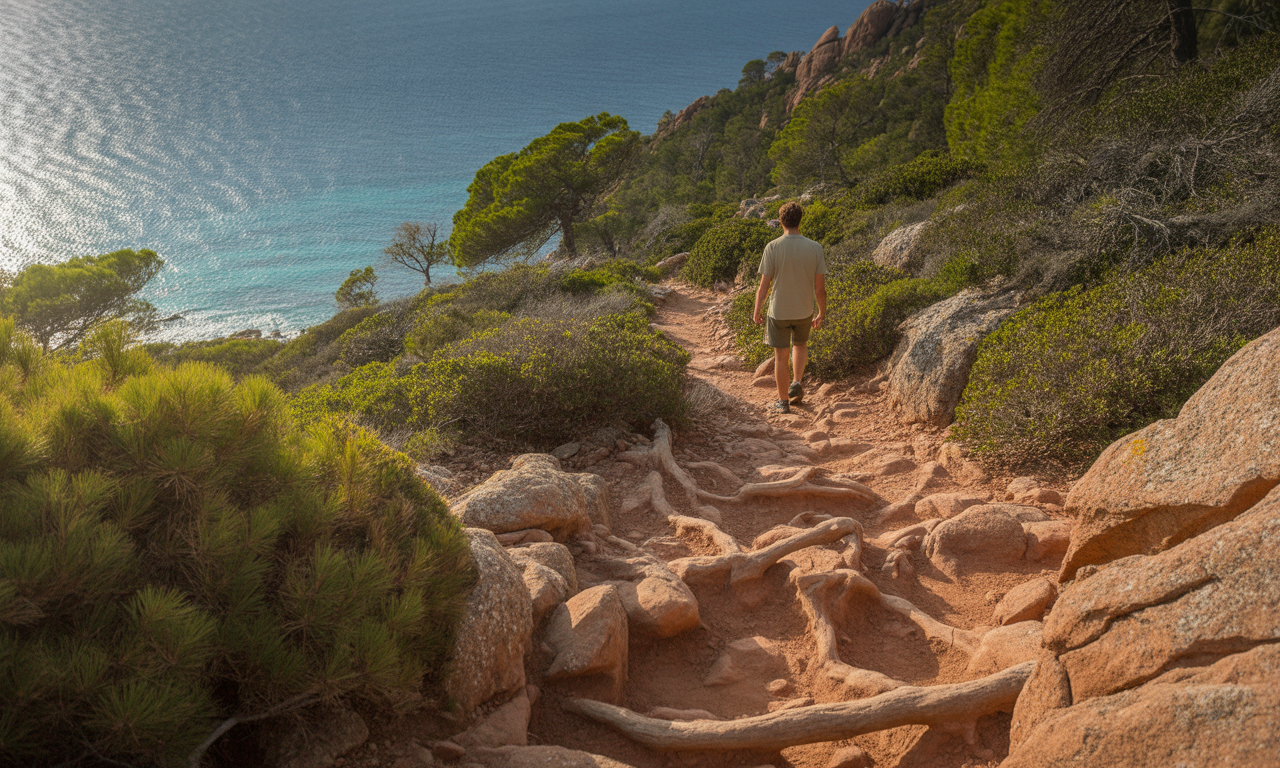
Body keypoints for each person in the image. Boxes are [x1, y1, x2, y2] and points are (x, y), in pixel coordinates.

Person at [752, 201, 827, 414]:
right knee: (800, 345)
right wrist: (822, 312)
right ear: (800, 220)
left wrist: (757, 311)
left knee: (781, 356)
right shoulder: (815, 248)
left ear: (782, 221)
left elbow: (764, 286)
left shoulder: (773, 247)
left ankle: (783, 402)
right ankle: (796, 382)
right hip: (805, 309)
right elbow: (820, 289)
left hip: (779, 311)